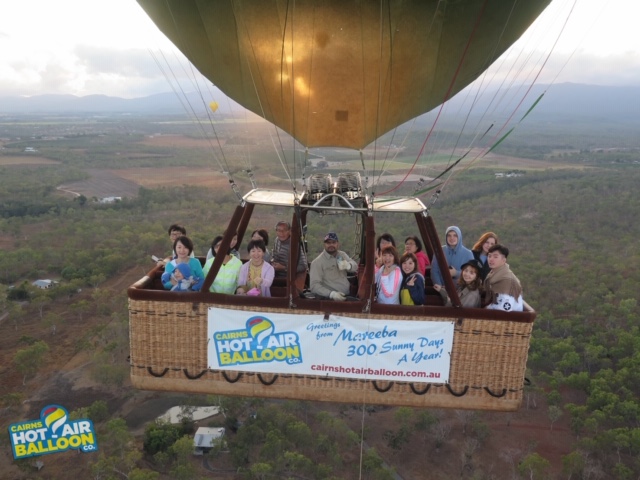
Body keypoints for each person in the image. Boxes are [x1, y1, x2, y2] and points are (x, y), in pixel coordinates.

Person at [309, 232, 358, 301]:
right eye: (328, 243)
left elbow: (355, 266)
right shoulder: (317, 262)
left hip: (347, 296)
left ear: (338, 244)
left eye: (333, 242)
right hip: (330, 300)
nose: (331, 245)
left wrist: (348, 266)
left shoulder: (342, 255)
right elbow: (314, 286)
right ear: (324, 244)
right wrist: (331, 294)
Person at [483, 244, 523, 312]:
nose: (491, 259)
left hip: (508, 318)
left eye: (495, 257)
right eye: (489, 256)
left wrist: (486, 308)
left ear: (504, 260)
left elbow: (504, 309)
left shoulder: (506, 280)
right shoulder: (492, 274)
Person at [271, 221, 307, 290]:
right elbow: (274, 255)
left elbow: (303, 266)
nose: (281, 233)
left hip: (288, 279)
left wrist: (284, 268)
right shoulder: (276, 240)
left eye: (284, 230)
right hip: (274, 275)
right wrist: (273, 262)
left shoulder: (294, 244)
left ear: (289, 231)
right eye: (279, 230)